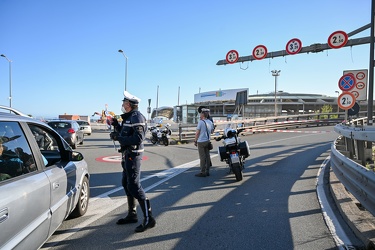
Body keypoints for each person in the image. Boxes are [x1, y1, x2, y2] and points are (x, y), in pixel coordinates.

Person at [110, 91, 156, 233]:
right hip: (127, 155)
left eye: (124, 103)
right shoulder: (129, 117)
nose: (122, 105)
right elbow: (126, 133)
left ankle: (149, 219)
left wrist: (119, 138)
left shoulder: (137, 117)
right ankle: (132, 214)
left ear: (130, 105)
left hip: (133, 155)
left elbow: (138, 138)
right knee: (126, 183)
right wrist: (116, 126)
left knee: (134, 186)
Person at [194, 108, 214, 177]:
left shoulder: (201, 122)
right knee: (207, 156)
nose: (200, 114)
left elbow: (197, 133)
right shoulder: (210, 122)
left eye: (201, 113)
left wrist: (195, 140)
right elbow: (211, 131)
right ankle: (207, 171)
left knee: (202, 157)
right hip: (207, 141)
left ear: (202, 114)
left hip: (201, 142)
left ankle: (202, 172)